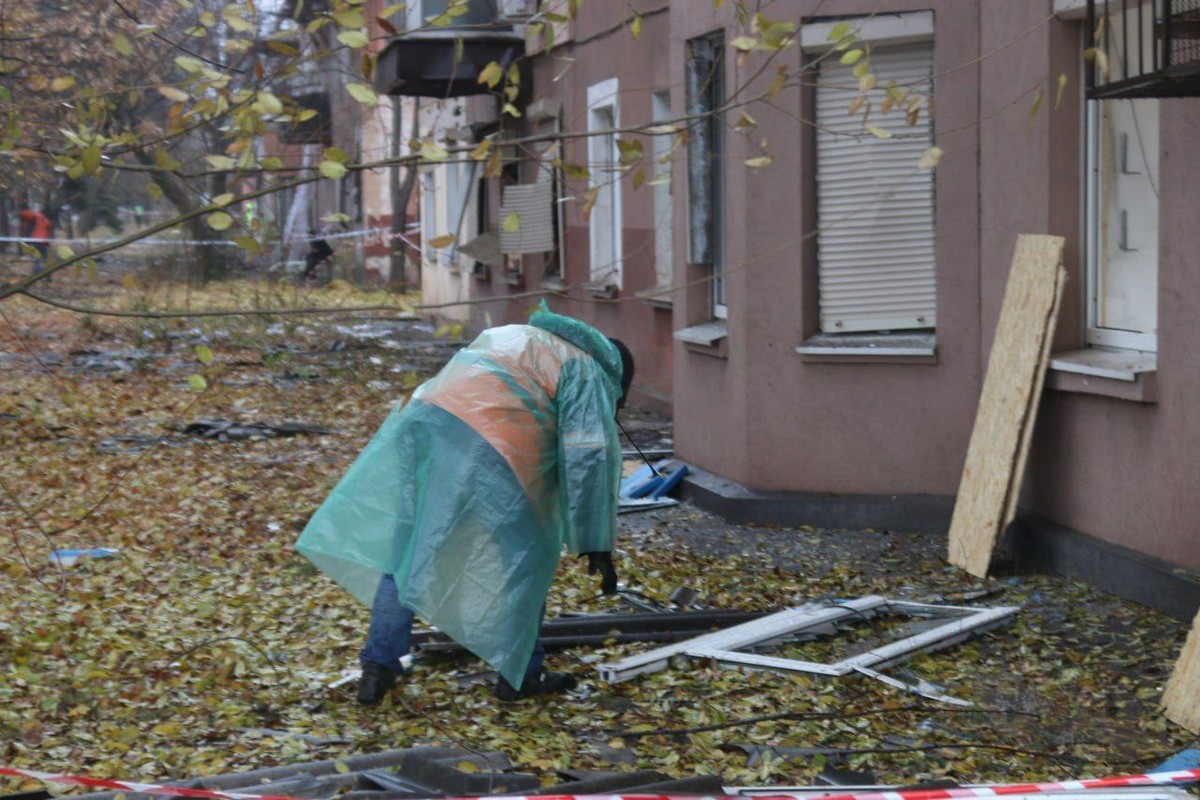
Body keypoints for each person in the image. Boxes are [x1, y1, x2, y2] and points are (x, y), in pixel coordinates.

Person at [296, 302, 634, 705]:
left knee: (408, 553)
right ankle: (520, 676)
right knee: (524, 561)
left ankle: (378, 667)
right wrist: (597, 542)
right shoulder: (589, 370)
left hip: (423, 424)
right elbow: (588, 456)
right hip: (491, 447)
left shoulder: (518, 336)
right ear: (618, 376)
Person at [18, 207, 52, 276]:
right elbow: (48, 226)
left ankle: (37, 275)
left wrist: (26, 242)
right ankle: (48, 277)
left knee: (36, 259)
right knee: (45, 259)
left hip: (35, 240)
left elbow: (26, 214)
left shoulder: (33, 217)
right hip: (45, 241)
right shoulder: (44, 219)